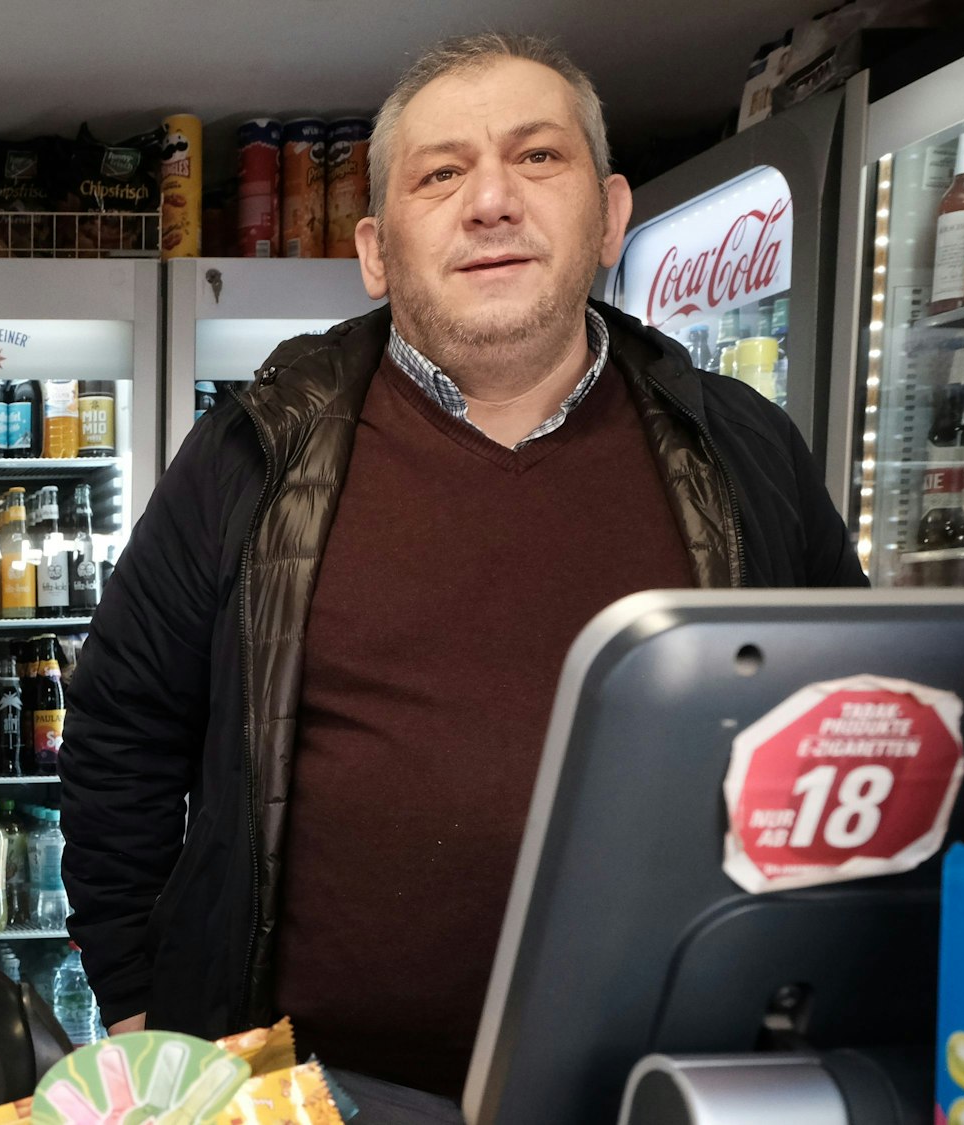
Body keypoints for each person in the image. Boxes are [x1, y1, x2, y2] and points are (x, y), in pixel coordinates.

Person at [59, 32, 867, 1101]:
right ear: (375, 250)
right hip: (306, 1093)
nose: (489, 201)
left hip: (661, 1087)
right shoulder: (254, 447)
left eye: (536, 158)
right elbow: (119, 733)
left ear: (610, 214)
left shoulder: (743, 448)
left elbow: (857, 720)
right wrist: (136, 1006)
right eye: (438, 174)